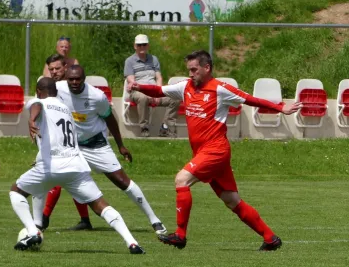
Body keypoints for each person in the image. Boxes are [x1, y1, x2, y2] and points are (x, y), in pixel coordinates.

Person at [129, 50, 301, 251]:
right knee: (232, 201)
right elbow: (159, 91)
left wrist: (281, 108)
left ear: (206, 68)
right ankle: (270, 238)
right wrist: (139, 86)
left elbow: (250, 100)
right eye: (189, 70)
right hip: (204, 153)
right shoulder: (185, 86)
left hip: (215, 151)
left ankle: (180, 235)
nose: (191, 73)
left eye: (194, 69)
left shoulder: (220, 89)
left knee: (181, 180)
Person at [10, 77, 145, 254]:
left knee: (16, 191)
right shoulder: (66, 109)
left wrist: (32, 119)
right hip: (76, 166)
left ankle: (34, 231)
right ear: (57, 92)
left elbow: (37, 106)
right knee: (100, 205)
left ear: (38, 91)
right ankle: (132, 243)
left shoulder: (40, 101)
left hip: (53, 166)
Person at [43, 65, 167, 236]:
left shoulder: (96, 96)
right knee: (57, 176)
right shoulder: (58, 89)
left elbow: (111, 120)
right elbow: (42, 99)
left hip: (96, 144)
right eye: (71, 79)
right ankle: (40, 221)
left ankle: (154, 220)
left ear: (84, 79)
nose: (74, 82)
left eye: (77, 79)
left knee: (123, 182)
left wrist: (120, 145)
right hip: (73, 146)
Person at [41, 54, 93, 230]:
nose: (54, 72)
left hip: (83, 141)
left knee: (65, 178)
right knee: (71, 179)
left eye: (57, 68)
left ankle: (43, 218)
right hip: (62, 142)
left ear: (65, 67)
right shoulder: (48, 88)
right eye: (51, 69)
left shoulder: (75, 86)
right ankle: (84, 220)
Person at [124, 34, 180, 138]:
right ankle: (144, 128)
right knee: (143, 98)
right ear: (135, 46)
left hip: (154, 91)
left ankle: (166, 128)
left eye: (144, 44)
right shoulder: (129, 61)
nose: (142, 47)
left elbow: (158, 78)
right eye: (139, 45)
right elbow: (131, 80)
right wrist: (147, 92)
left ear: (148, 46)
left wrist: (158, 93)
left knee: (175, 98)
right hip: (137, 91)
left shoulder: (154, 59)